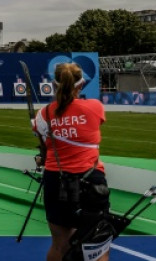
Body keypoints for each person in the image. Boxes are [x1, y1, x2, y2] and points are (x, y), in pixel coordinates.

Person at [34, 62, 109, 261]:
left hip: (56, 181)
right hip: (90, 182)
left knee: (59, 244)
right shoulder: (95, 107)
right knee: (97, 245)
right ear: (81, 84)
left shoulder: (43, 114)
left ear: (54, 84)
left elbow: (45, 145)